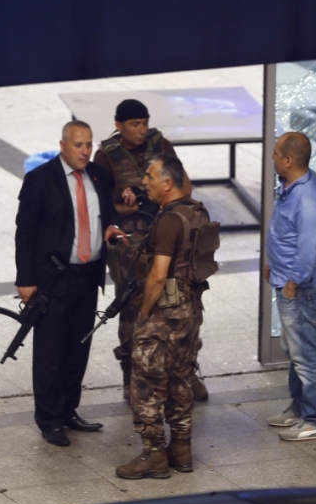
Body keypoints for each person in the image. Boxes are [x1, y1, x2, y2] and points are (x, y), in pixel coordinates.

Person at [14, 120, 125, 447]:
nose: (85, 151)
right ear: (63, 145)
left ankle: (68, 411)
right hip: (53, 279)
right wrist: (25, 279)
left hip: (88, 277)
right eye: (78, 145)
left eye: (89, 144)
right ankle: (49, 419)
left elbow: (105, 215)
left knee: (79, 347)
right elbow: (26, 234)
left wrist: (111, 230)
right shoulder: (40, 180)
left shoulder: (98, 176)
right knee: (50, 351)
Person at [93, 99, 208, 403]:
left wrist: (152, 201)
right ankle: (132, 377)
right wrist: (129, 204)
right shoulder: (106, 157)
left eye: (144, 123)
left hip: (166, 240)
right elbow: (100, 206)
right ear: (119, 126)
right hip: (130, 245)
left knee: (180, 304)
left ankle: (185, 371)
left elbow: (185, 188)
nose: (141, 130)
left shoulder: (161, 145)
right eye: (134, 124)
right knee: (132, 310)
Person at [115, 154, 215, 479]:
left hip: (163, 317)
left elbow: (158, 276)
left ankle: (154, 456)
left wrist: (143, 313)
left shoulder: (170, 221)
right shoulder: (196, 212)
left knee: (146, 384)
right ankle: (182, 450)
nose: (144, 181)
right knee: (180, 380)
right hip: (189, 312)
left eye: (150, 176)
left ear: (167, 183)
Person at [264, 132, 316, 441]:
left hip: (301, 289)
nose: (273, 157)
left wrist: (291, 284)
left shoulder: (307, 202)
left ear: (289, 160)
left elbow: (306, 252)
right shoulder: (297, 183)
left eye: (276, 153)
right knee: (296, 350)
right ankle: (299, 409)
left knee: (307, 354)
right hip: (289, 281)